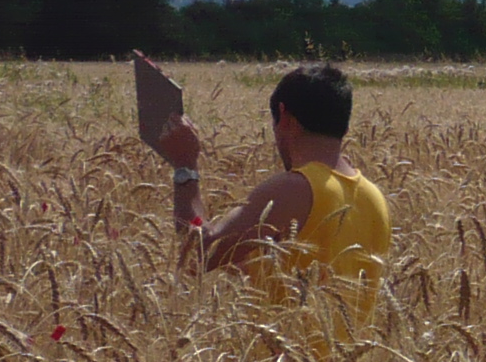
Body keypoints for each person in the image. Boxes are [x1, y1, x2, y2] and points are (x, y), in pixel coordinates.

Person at [139, 55, 392, 307]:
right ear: (344, 125)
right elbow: (303, 271)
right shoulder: (375, 198)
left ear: (284, 117)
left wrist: (186, 166)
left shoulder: (293, 189)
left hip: (290, 348)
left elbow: (196, 256)